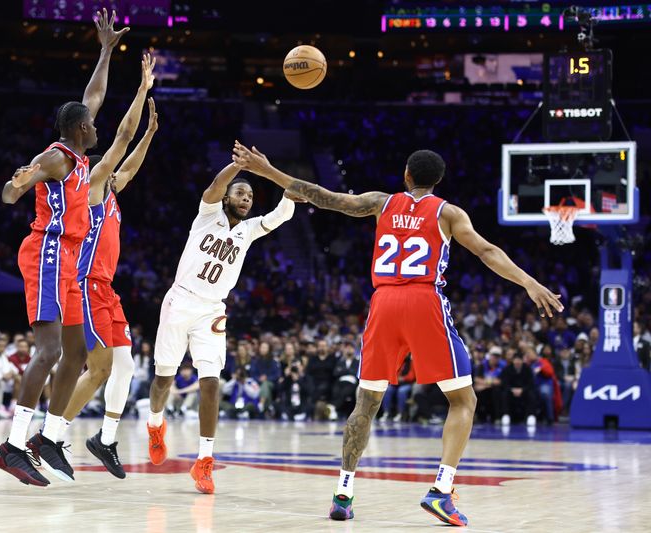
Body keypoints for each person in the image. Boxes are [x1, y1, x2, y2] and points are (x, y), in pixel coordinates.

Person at [232, 143, 563, 526]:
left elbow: (322, 197)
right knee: (463, 400)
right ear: (437, 181)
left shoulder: (381, 203)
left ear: (406, 174)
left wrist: (268, 169)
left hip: (384, 303)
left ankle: (343, 492)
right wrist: (529, 283)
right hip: (424, 301)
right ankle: (441, 490)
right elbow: (487, 252)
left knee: (366, 403)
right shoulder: (449, 213)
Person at [0, 9, 128, 487]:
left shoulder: (82, 153)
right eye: (91, 124)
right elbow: (10, 194)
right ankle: (11, 446)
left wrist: (106, 51)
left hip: (69, 260)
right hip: (47, 252)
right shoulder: (55, 156)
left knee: (75, 354)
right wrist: (16, 185)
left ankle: (48, 436)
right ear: (78, 130)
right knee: (47, 352)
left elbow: (94, 95)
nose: (97, 125)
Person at [145, 158, 300, 495]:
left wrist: (289, 195)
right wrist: (237, 166)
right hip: (180, 300)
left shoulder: (248, 230)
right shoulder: (208, 215)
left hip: (212, 310)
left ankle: (204, 460)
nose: (246, 198)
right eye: (240, 193)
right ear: (227, 198)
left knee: (211, 381)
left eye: (250, 195)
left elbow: (278, 217)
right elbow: (213, 187)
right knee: (163, 379)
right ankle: (155, 424)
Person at [58, 60, 158, 479]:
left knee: (127, 366)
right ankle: (54, 433)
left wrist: (151, 133)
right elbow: (121, 138)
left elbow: (131, 162)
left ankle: (107, 439)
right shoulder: (94, 187)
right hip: (87, 285)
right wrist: (141, 89)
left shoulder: (113, 190)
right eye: (111, 169)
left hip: (107, 289)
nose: (117, 172)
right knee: (97, 369)